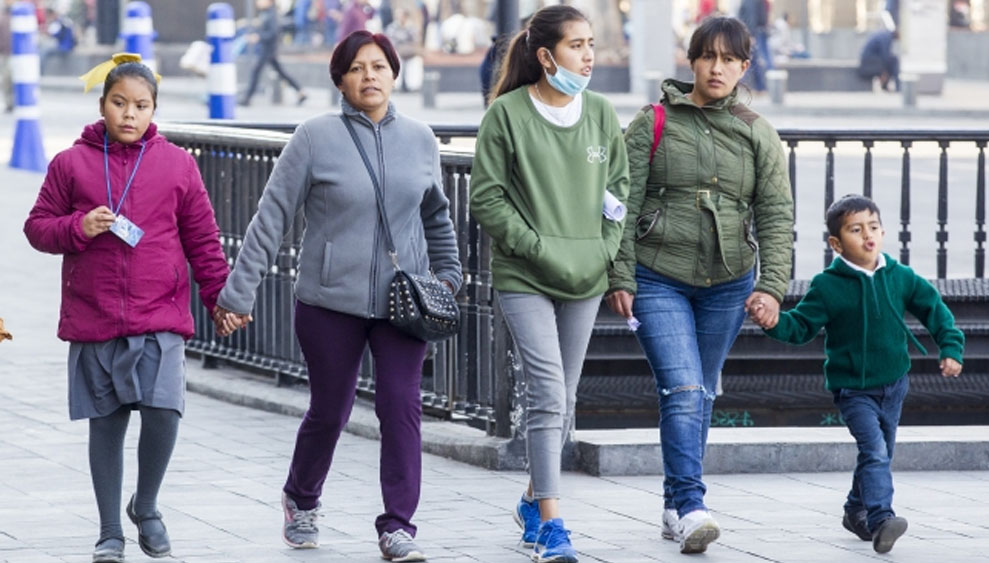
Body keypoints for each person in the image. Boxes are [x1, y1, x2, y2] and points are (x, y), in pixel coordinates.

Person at [213, 29, 461, 562]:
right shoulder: (313, 136)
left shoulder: (420, 138)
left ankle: (399, 526)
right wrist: (239, 292)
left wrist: (448, 276)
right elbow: (271, 218)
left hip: (405, 303)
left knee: (401, 407)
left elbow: (436, 215)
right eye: (356, 68)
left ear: (394, 74)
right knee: (331, 408)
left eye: (379, 66)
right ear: (340, 80)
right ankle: (301, 498)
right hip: (328, 301)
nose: (369, 76)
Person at [23, 55, 231, 563]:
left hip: (159, 316)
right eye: (120, 103)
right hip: (95, 317)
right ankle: (110, 531)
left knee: (165, 412)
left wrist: (220, 298)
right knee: (107, 424)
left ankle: (148, 505)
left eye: (141, 105)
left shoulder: (177, 164)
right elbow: (36, 227)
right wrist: (77, 227)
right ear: (102, 106)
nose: (129, 114)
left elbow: (203, 239)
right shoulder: (70, 163)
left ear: (154, 108)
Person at [606, 15, 793, 555]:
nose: (717, 68)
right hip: (656, 276)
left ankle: (672, 503)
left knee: (701, 393)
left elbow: (776, 215)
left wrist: (772, 287)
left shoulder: (758, 131)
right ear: (691, 61)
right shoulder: (653, 121)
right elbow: (620, 203)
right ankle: (691, 506)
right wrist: (620, 274)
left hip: (730, 284)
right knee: (686, 389)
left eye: (729, 59)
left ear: (744, 67)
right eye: (708, 56)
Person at [469, 6, 629, 562]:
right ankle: (552, 525)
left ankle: (533, 498)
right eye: (577, 45)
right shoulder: (506, 115)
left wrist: (605, 252)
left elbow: (620, 192)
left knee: (565, 398)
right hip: (525, 275)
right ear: (545, 55)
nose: (588, 56)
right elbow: (486, 197)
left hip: (585, 276)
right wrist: (537, 247)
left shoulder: (603, 114)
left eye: (592, 45)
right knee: (546, 392)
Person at [755, 194, 965, 554]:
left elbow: (935, 310)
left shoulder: (900, 277)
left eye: (873, 227)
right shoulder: (828, 285)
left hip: (895, 383)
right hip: (853, 390)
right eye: (856, 230)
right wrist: (773, 322)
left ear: (883, 231)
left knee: (879, 452)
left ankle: (855, 508)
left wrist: (950, 348)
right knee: (874, 450)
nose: (867, 235)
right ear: (836, 243)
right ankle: (881, 517)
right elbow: (801, 326)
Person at [239, 0, 308, 107]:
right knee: (281, 73)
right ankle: (300, 92)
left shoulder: (272, 14)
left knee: (256, 71)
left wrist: (258, 37)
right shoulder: (267, 13)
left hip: (268, 50)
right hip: (268, 50)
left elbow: (273, 33)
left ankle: (247, 98)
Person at [737, 0, 771, 94]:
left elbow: (749, 16)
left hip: (752, 33)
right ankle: (760, 87)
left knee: (749, 59)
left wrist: (750, 34)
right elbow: (752, 16)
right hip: (754, 33)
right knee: (752, 59)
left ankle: (758, 87)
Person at [0, 0, 12, 113]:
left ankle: (18, 102)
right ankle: (9, 103)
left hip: (19, 54)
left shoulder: (19, 15)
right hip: (5, 53)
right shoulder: (2, 17)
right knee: (6, 80)